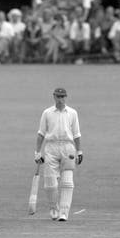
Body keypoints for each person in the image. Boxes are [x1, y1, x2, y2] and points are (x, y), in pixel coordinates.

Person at [34, 87, 83, 221]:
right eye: (58, 97)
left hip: (68, 147)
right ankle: (53, 208)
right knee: (50, 182)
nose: (61, 99)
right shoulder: (47, 113)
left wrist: (79, 151)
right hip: (51, 147)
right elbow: (41, 134)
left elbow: (77, 134)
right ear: (54, 97)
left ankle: (64, 213)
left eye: (63, 97)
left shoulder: (72, 113)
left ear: (66, 97)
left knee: (67, 182)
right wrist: (37, 152)